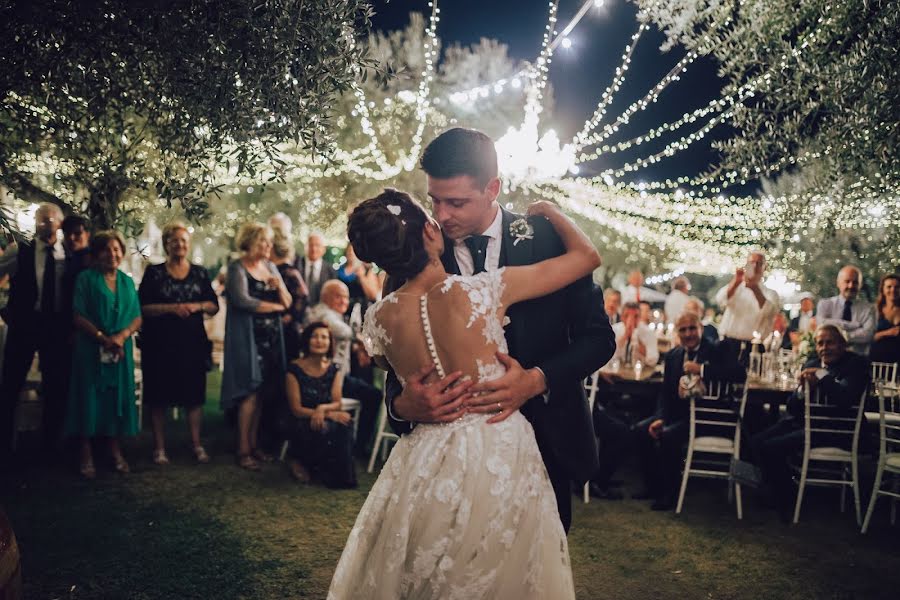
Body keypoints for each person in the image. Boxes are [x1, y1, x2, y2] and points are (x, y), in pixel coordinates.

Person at [328, 185, 601, 599]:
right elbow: (587, 258)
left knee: (424, 563)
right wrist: (553, 212)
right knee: (503, 569)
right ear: (429, 234)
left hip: (425, 457)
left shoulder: (378, 319)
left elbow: (396, 370)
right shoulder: (485, 291)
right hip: (498, 446)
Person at [383, 128, 615, 534]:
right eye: (435, 200)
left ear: (493, 188)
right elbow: (398, 359)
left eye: (456, 202)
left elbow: (598, 339)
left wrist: (537, 380)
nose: (441, 215)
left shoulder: (548, 241)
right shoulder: (415, 254)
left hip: (545, 446)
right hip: (447, 465)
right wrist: (403, 406)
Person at [751, 325, 869, 516]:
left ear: (842, 344)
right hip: (806, 424)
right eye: (820, 343)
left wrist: (822, 377)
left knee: (772, 447)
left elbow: (845, 398)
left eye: (829, 342)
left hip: (838, 430)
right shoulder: (811, 364)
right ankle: (784, 487)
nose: (824, 348)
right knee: (756, 442)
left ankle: (785, 496)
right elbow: (792, 408)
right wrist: (801, 391)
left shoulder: (856, 364)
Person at [635, 312, 746, 510]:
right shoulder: (673, 355)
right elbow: (665, 393)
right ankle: (653, 488)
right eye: (683, 330)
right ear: (677, 332)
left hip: (706, 418)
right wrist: (660, 417)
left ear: (700, 328)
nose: (688, 334)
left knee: (669, 437)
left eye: (692, 328)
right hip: (677, 415)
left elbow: (739, 373)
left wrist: (702, 370)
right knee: (641, 430)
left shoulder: (717, 349)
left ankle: (671, 496)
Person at [138, 222, 219, 465]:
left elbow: (214, 305)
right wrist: (172, 308)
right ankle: (159, 448)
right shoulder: (154, 273)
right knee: (159, 395)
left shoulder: (200, 273)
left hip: (192, 343)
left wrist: (197, 305)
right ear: (166, 245)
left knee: (194, 395)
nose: (180, 245)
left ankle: (196, 444)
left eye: (183, 240)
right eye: (175, 241)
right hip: (160, 343)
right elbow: (142, 307)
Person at [66, 231, 142, 478]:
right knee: (89, 397)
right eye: (107, 250)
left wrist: (120, 337)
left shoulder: (127, 281)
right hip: (91, 348)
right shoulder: (85, 279)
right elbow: (78, 315)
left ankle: (114, 448)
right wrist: (102, 338)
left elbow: (137, 316)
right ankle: (85, 450)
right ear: (97, 253)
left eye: (117, 249)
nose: (113, 254)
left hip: (120, 349)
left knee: (115, 398)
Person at [0, 203, 70, 459]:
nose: (46, 225)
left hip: (56, 329)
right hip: (25, 326)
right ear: (36, 224)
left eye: (51, 220)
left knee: (56, 386)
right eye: (42, 221)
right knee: (10, 384)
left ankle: (50, 445)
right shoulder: (20, 251)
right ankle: (5, 444)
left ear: (59, 223)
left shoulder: (68, 253)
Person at [220, 222, 291, 471]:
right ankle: (242, 449)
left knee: (262, 392)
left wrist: (279, 286)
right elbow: (242, 301)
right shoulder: (237, 268)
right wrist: (275, 308)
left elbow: (288, 301)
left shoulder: (270, 267)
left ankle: (253, 445)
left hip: (271, 339)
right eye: (264, 241)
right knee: (248, 391)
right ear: (250, 241)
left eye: (270, 242)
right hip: (248, 338)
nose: (268, 246)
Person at [304, 279, 382, 458]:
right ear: (325, 297)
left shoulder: (329, 313)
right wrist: (360, 339)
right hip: (326, 379)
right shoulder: (324, 314)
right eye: (339, 297)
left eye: (346, 298)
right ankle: (358, 447)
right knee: (373, 395)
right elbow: (343, 332)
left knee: (365, 381)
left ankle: (353, 443)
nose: (344, 302)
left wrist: (357, 348)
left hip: (333, 374)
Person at [283, 322, 356, 488]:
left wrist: (322, 409)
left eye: (324, 337)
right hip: (299, 418)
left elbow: (337, 402)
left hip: (321, 415)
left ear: (330, 342)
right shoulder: (294, 369)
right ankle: (299, 461)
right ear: (307, 340)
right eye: (314, 336)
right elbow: (296, 409)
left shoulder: (334, 369)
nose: (319, 341)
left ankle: (339, 476)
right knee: (322, 425)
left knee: (345, 421)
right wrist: (325, 414)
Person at [714, 250, 781, 365]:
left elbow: (769, 311)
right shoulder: (736, 287)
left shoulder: (771, 293)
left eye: (759, 264)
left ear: (764, 268)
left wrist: (754, 288)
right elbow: (720, 299)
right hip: (728, 344)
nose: (755, 266)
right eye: (752, 263)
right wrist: (736, 282)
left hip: (753, 348)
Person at [817, 265, 876, 356]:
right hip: (830, 358)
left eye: (855, 282)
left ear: (860, 285)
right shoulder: (825, 304)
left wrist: (841, 335)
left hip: (857, 360)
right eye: (847, 281)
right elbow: (822, 325)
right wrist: (855, 325)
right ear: (838, 283)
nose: (851, 285)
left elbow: (867, 335)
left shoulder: (869, 309)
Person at [270, 225, 308, 360]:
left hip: (286, 332)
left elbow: (303, 297)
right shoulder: (279, 270)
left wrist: (289, 317)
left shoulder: (289, 272)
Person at [609, 301, 659, 368]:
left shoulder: (648, 332)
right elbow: (609, 357)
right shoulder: (614, 330)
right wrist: (625, 336)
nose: (631, 320)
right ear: (621, 317)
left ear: (640, 317)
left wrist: (637, 340)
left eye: (635, 316)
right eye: (627, 316)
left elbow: (653, 360)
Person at [336, 243, 381, 314]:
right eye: (349, 250)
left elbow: (373, 295)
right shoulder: (339, 270)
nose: (351, 253)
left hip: (360, 311)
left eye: (353, 251)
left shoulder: (367, 270)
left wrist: (362, 277)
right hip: (341, 309)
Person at [297, 232, 337, 307]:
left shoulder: (331, 270)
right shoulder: (296, 265)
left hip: (322, 312)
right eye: (310, 245)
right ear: (305, 247)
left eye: (317, 245)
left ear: (324, 249)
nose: (314, 249)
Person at [870, 273, 899, 366]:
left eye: (897, 287)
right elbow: (868, 337)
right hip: (878, 361)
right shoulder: (875, 310)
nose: (893, 290)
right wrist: (889, 332)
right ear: (883, 289)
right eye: (889, 287)